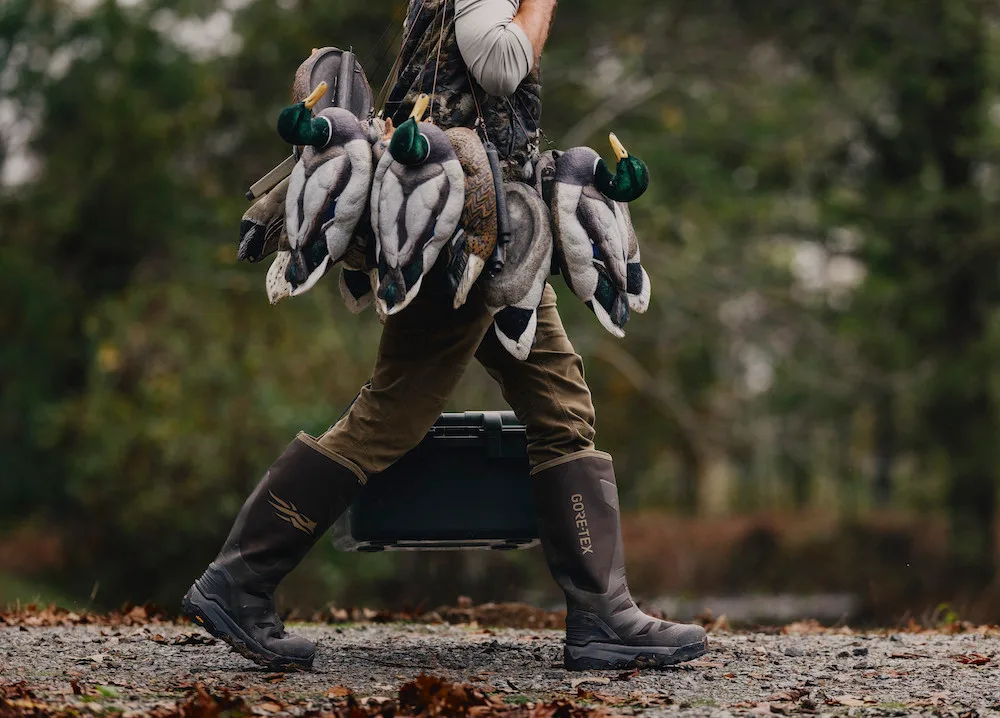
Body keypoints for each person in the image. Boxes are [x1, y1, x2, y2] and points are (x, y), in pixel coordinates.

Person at [183, 0, 709, 672]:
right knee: (390, 415)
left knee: (561, 409)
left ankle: (603, 616)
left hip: (502, 229)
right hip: (460, 225)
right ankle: (239, 579)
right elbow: (497, 62)